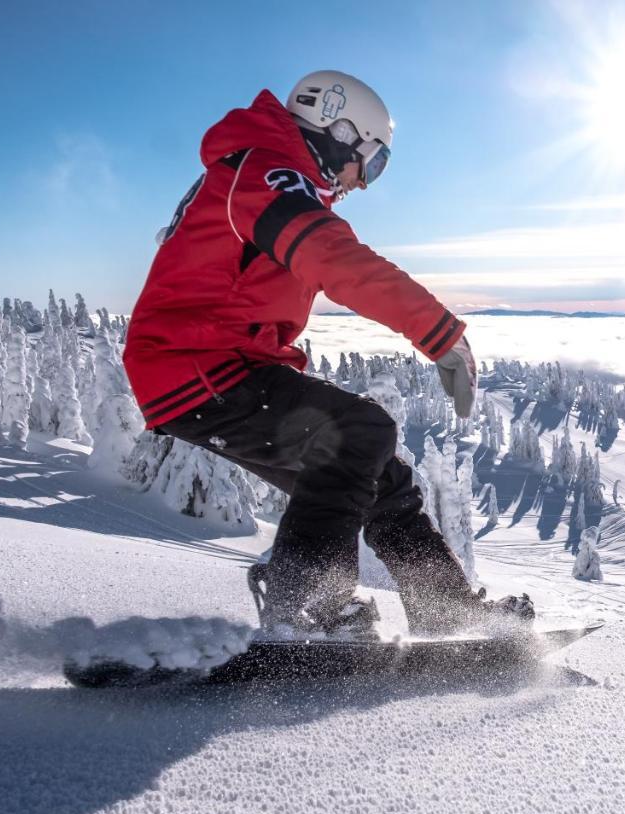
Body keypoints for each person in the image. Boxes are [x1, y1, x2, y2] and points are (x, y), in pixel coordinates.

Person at [123, 70, 533, 639]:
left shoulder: (265, 174)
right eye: (373, 161)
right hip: (197, 363)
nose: (363, 182)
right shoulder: (264, 173)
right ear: (339, 130)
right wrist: (439, 334)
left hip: (221, 362)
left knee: (382, 479)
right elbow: (333, 258)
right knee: (361, 428)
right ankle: (308, 602)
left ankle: (446, 612)